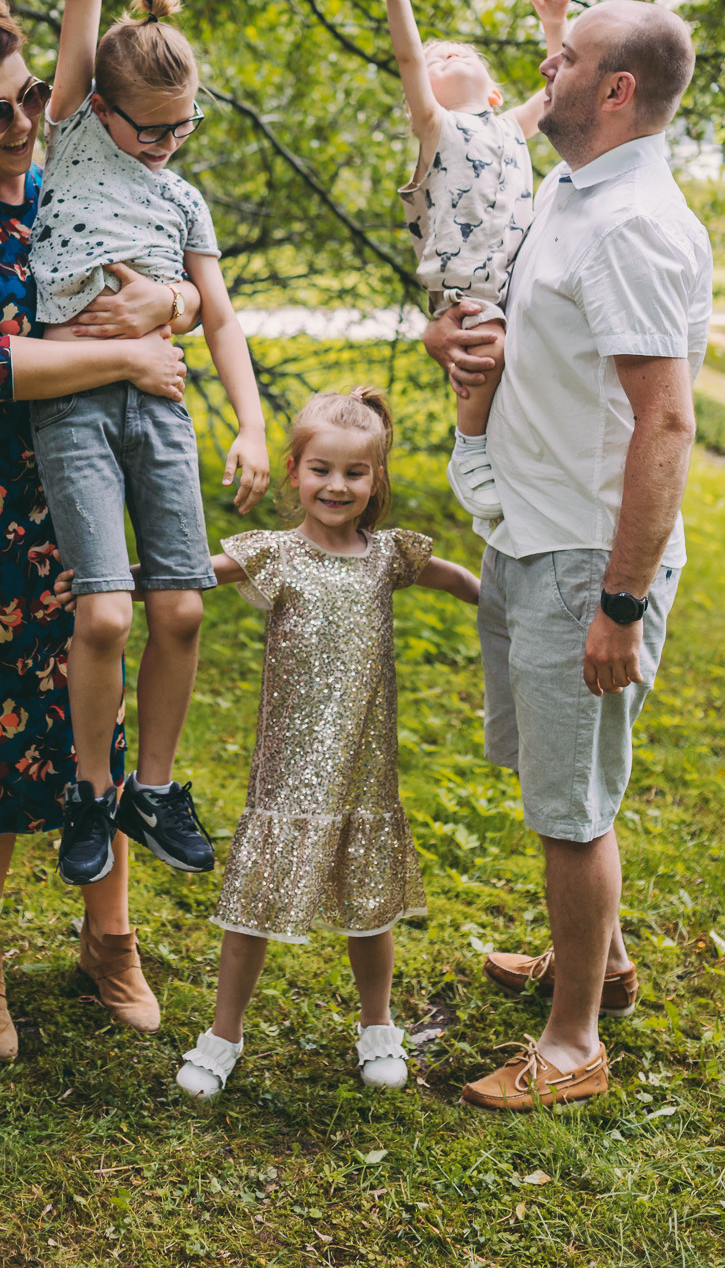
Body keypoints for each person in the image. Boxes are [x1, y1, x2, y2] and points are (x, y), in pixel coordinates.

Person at [0, 0, 204, 1060]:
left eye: (28, 97)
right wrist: (131, 351)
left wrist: (182, 304)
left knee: (89, 720)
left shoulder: (66, 178)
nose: (23, 123)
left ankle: (108, 938)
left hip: (83, 488)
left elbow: (174, 268)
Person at [424, 0, 712, 1112]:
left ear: (617, 90)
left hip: (588, 558)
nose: (549, 66)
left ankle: (574, 1039)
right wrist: (458, 341)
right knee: (568, 787)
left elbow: (667, 422)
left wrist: (620, 605)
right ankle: (602, 959)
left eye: (568, 56)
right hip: (532, 531)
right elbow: (526, 324)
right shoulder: (569, 192)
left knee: (570, 811)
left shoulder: (629, 224)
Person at [26, 0, 270, 890]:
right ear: (99, 108)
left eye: (182, 129)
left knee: (180, 608)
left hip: (162, 402)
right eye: (149, 129)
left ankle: (154, 790)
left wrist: (253, 427)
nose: (165, 145)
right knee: (107, 614)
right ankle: (90, 787)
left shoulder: (185, 198)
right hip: (75, 400)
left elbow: (217, 314)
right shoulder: (74, 132)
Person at [149, 387, 476, 1097]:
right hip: (290, 769)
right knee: (255, 904)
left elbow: (451, 578)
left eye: (355, 473)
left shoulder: (387, 555)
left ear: (375, 480)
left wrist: (509, 601)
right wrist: (121, 581)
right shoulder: (275, 554)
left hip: (362, 768)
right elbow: (197, 572)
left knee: (370, 904)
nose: (337, 486)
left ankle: (378, 1027)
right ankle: (223, 1035)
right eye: (321, 470)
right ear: (295, 471)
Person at [375, 0, 574, 519]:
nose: (447, 53)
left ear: (494, 94)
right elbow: (409, 55)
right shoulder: (437, 128)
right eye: (438, 58)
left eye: (462, 53)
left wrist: (556, 26)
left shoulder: (509, 125)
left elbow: (559, 86)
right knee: (485, 351)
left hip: (519, 280)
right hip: (468, 289)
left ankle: (516, 451)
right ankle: (470, 448)